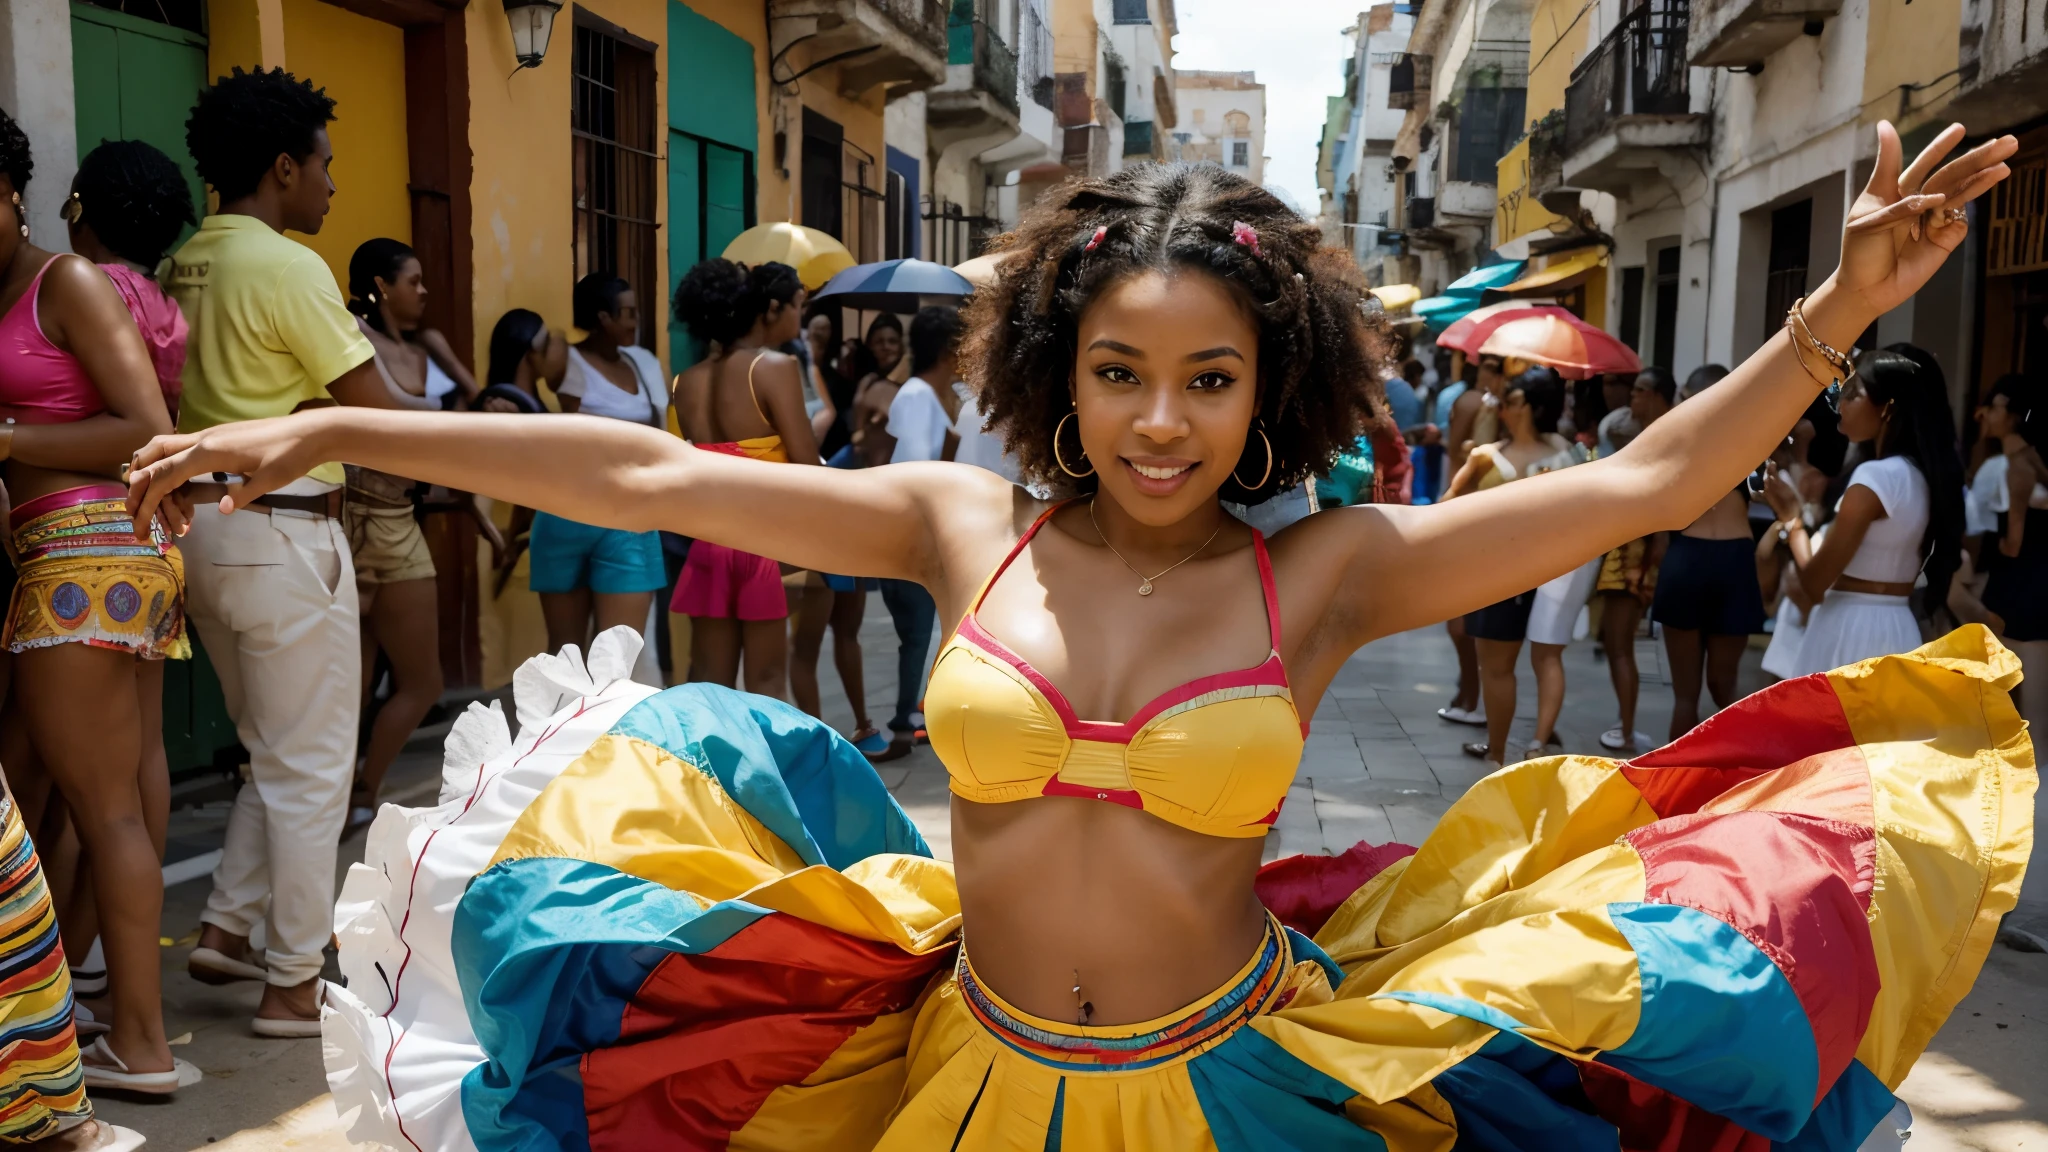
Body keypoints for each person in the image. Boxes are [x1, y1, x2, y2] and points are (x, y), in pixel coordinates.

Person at [131, 131, 2026, 1149]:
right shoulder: (960, 521)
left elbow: (1635, 492)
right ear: (1054, 364)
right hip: (962, 1076)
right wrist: (334, 424)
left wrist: (1822, 321)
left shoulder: (1332, 568)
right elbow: (639, 466)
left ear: (1268, 385)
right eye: (1119, 370)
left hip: (1242, 1088)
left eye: (1209, 378)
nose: (1158, 420)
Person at [171, 65, 411, 1039]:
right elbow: (382, 417)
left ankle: (227, 929)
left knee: (275, 753)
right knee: (314, 767)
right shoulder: (286, 267)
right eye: (323, 165)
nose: (331, 186)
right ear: (282, 167)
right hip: (284, 532)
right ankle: (292, 982)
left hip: (198, 533)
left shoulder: (181, 261)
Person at [0, 111, 190, 1098]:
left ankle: (141, 1044)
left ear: (15, 192)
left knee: (99, 809)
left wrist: (9, 439)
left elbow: (145, 428)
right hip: (119, 556)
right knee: (123, 789)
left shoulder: (64, 280)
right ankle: (122, 1022)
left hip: (85, 556)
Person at [49, 138, 193, 1021]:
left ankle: (72, 975)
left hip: (80, 541)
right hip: (152, 537)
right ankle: (101, 963)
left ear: (83, 209)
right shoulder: (170, 309)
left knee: (86, 800)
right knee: (141, 777)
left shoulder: (82, 292)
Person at [338, 239, 453, 832]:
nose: (424, 291)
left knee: (422, 679)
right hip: (354, 512)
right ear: (382, 285)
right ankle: (339, 794)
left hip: (402, 515)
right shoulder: (353, 335)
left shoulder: (426, 346)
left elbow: (476, 404)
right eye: (413, 280)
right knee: (349, 681)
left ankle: (364, 783)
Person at [1765, 346, 1964, 677]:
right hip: (1898, 626)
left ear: (1887, 407)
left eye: (1854, 394)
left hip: (1849, 629)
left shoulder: (1877, 476)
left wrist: (1791, 518)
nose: (1841, 405)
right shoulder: (1921, 475)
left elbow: (1813, 583)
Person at [670, 260, 817, 697]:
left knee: (711, 689)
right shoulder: (773, 368)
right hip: (765, 544)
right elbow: (809, 468)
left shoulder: (684, 382)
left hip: (710, 544)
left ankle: (709, 768)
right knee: (767, 684)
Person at [1443, 366, 1585, 764]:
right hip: (1501, 572)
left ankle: (1529, 743)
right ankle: (1500, 750)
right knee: (1498, 665)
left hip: (1545, 571)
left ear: (1531, 405)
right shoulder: (1488, 455)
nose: (1501, 405)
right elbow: (1448, 504)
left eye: (1510, 399)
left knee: (1539, 658)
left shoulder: (1562, 451)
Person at [528, 274, 669, 660]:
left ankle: (610, 722)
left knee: (619, 658)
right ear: (603, 317)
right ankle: (561, 721)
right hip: (566, 511)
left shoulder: (643, 362)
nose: (635, 321)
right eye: (627, 313)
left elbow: (659, 430)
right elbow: (543, 354)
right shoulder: (568, 360)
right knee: (565, 656)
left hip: (629, 514)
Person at [1652, 363, 1768, 738]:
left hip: (1687, 556)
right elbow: (1770, 490)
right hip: (1734, 560)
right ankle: (1741, 769)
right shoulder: (1754, 440)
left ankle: (1672, 787)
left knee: (1685, 696)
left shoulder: (1675, 441)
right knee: (1724, 687)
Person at [1594, 367, 1675, 752]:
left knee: (1621, 641)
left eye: (1642, 391)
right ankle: (1623, 723)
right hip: (1625, 540)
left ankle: (1626, 727)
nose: (1633, 397)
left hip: (1638, 545)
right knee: (1616, 642)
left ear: (1659, 397)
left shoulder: (1666, 436)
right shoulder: (1634, 430)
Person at [1978, 374, 2046, 743]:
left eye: (1996, 406)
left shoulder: (2010, 468)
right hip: (2032, 586)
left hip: (2017, 587)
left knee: (2018, 706)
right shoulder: (2032, 461)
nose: (1986, 413)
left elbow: (2013, 543)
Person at [847, 313, 906, 468]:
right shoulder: (867, 383)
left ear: (901, 346)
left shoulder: (912, 384)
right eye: (879, 342)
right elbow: (857, 435)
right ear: (871, 347)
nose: (886, 347)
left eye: (892, 341)